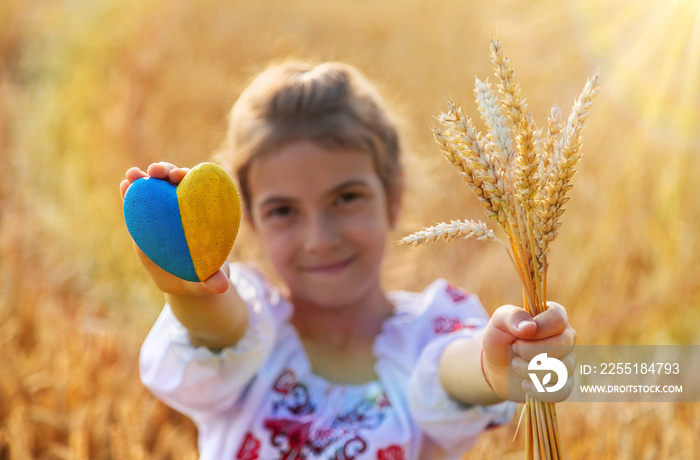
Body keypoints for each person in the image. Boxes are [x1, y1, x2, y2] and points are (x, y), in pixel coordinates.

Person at [119, 61, 576, 460]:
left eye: (346, 198)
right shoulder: (255, 332)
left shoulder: (428, 334)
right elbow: (218, 328)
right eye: (283, 211)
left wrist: (494, 367)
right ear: (249, 221)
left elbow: (454, 371)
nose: (319, 238)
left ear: (392, 197)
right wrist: (191, 289)